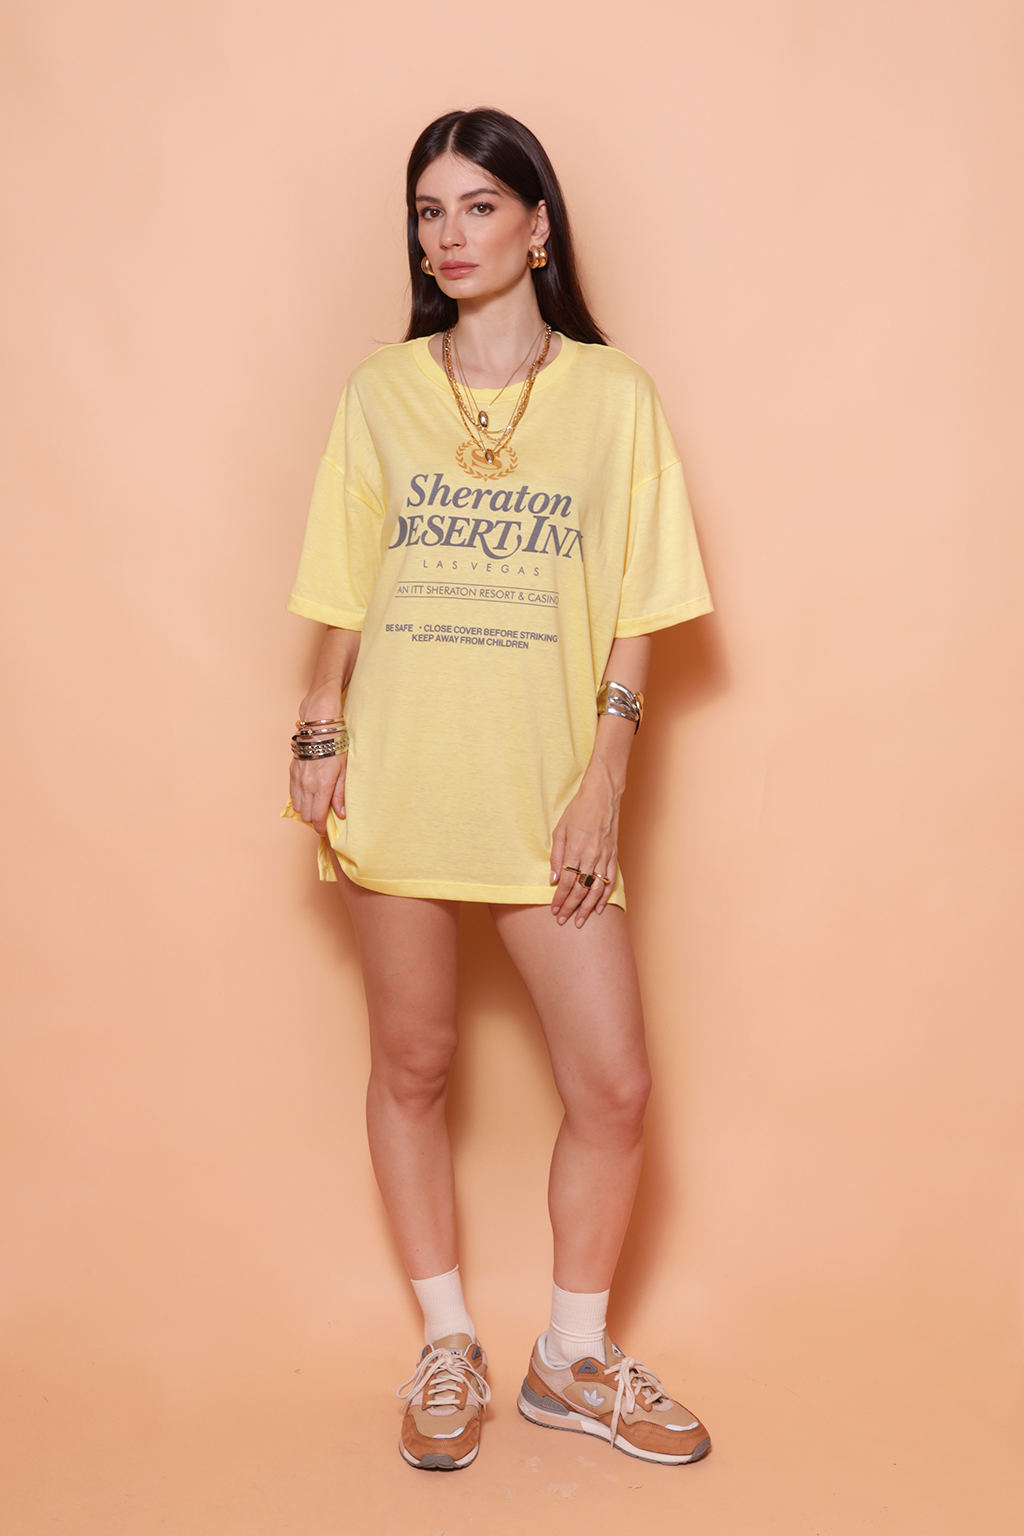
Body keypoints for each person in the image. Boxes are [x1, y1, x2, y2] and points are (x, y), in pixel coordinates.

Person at [284, 107, 713, 1472]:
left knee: (615, 1085)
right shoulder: (380, 392)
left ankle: (572, 1359)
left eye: (479, 205)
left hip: (544, 790)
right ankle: (446, 1340)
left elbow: (641, 602)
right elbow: (347, 578)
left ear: (538, 225)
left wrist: (607, 777)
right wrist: (317, 723)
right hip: (402, 769)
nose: (450, 234)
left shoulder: (615, 396)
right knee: (412, 1064)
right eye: (430, 210)